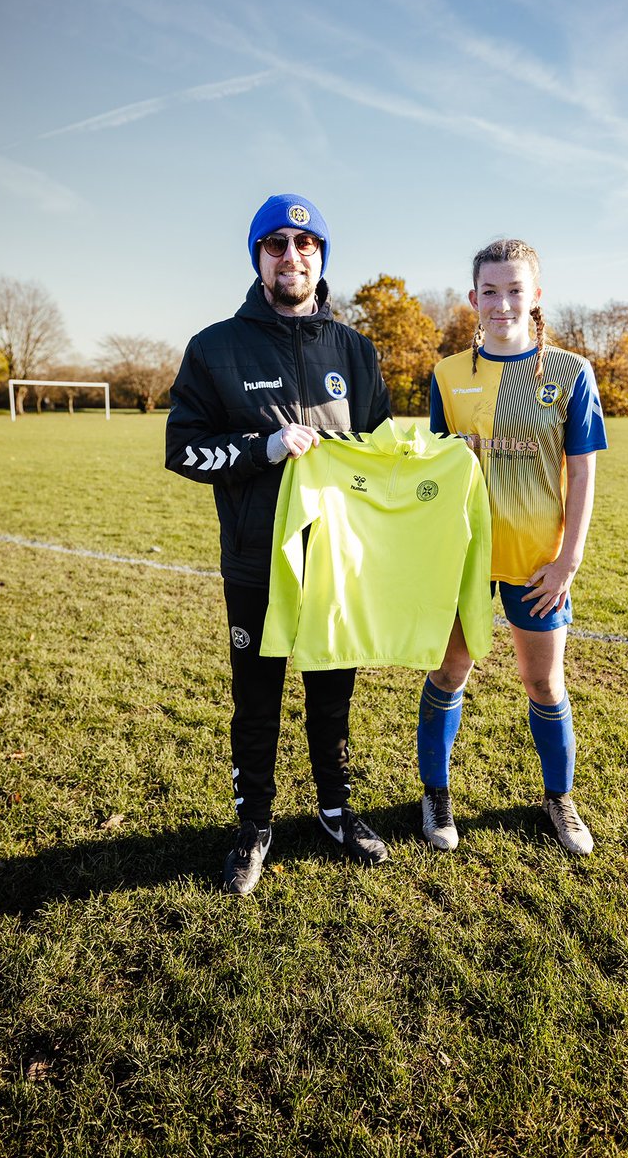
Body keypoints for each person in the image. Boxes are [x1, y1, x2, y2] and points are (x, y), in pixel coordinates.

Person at [166, 193, 391, 896]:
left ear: (321, 256)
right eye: (275, 245)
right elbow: (183, 450)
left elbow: (381, 451)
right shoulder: (214, 348)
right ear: (257, 257)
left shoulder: (354, 350)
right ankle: (254, 826)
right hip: (256, 561)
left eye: (305, 244)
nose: (291, 256)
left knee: (333, 695)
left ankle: (335, 809)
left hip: (333, 559)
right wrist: (263, 447)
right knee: (256, 701)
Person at [417, 238, 607, 856]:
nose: (503, 304)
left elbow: (582, 471)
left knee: (544, 683)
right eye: (490, 291)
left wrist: (569, 559)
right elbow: (438, 470)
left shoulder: (571, 372)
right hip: (465, 558)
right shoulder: (448, 374)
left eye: (515, 290)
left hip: (538, 562)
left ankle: (560, 799)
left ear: (536, 296)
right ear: (473, 299)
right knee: (449, 671)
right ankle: (436, 795)